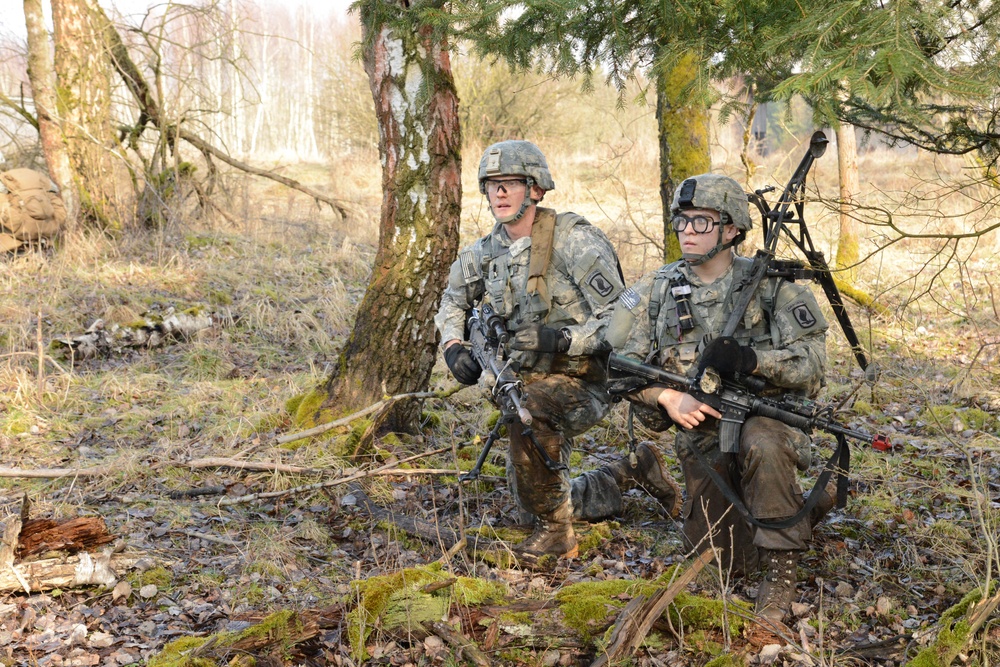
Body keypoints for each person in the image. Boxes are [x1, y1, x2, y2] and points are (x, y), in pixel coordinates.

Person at [434, 140, 682, 559]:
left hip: (587, 380)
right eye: (492, 184)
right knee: (533, 499)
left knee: (540, 477)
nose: (500, 193)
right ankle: (631, 472)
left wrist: (564, 339)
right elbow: (452, 300)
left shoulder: (574, 241)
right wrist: (454, 344)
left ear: (536, 189)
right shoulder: (485, 252)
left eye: (511, 183)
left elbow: (622, 317)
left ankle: (557, 535)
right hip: (527, 384)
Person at [612, 173, 833, 622]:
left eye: (703, 223)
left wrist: (752, 361)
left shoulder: (770, 285)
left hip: (766, 420)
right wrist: (666, 398)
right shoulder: (655, 289)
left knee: (764, 444)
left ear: (732, 229)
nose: (689, 232)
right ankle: (809, 505)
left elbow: (814, 364)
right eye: (683, 222)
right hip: (702, 434)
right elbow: (617, 366)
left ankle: (781, 572)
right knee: (727, 564)